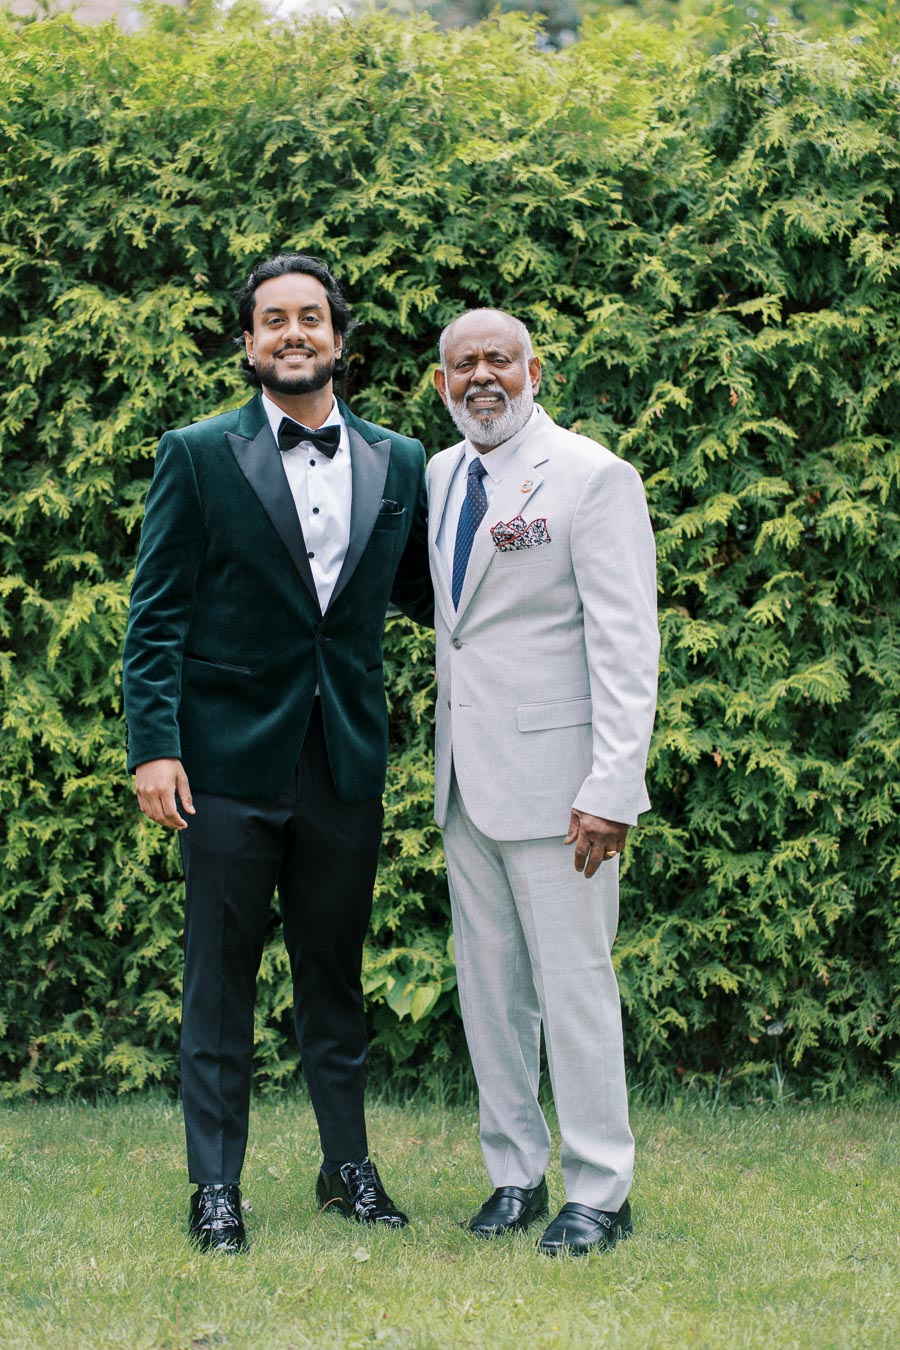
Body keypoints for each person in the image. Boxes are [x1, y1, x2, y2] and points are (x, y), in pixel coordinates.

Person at [123, 252, 432, 1252]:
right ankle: (216, 1190)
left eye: (311, 317)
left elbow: (435, 598)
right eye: (273, 320)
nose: (293, 333)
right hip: (223, 766)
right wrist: (153, 747)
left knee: (333, 979)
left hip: (344, 759)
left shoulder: (403, 461)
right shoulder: (196, 452)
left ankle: (348, 1169)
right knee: (220, 984)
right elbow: (156, 615)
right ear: (248, 343)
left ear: (339, 337)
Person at [427, 308, 659, 1256]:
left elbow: (626, 644)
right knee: (489, 992)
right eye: (462, 364)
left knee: (574, 989)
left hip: (564, 789)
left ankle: (601, 1190)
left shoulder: (594, 477)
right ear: (440, 383)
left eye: (498, 361)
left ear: (533, 371)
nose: (482, 377)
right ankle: (514, 1175)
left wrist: (612, 786)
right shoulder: (443, 474)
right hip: (464, 782)